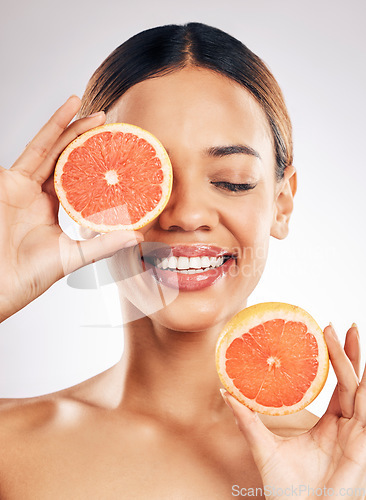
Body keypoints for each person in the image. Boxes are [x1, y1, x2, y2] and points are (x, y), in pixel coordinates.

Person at [0, 22, 365, 498]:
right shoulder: (9, 448)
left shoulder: (346, 467)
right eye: (150, 178)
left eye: (232, 180)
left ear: (282, 204)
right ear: (88, 199)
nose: (188, 215)